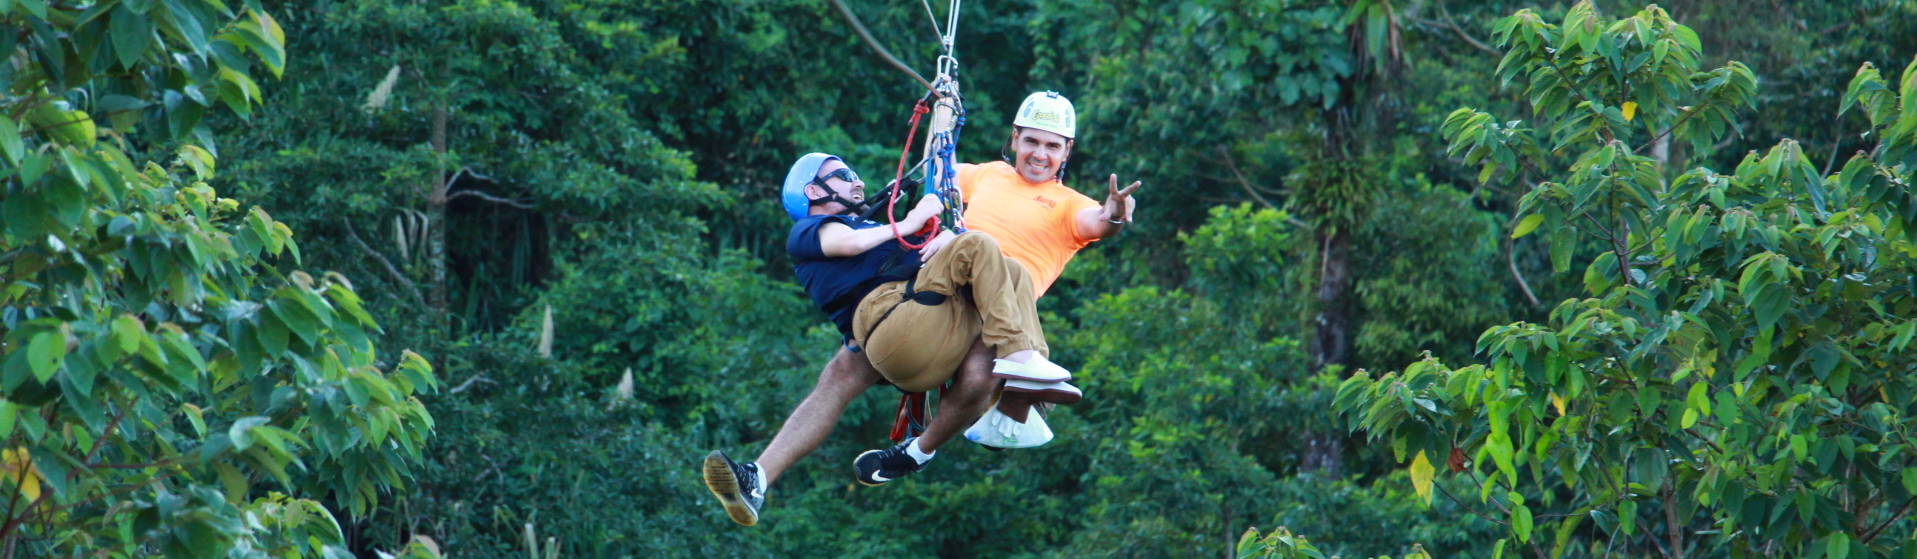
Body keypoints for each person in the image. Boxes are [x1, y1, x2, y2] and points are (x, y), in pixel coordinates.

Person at [702, 154, 1080, 526]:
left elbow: (931, 243)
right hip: (895, 319)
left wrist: (940, 231)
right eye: (844, 174)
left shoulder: (876, 231)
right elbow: (847, 243)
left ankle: (760, 478)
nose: (858, 181)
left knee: (1009, 275)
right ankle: (1021, 379)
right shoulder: (812, 230)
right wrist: (913, 220)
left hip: (910, 339)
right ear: (814, 190)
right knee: (980, 246)